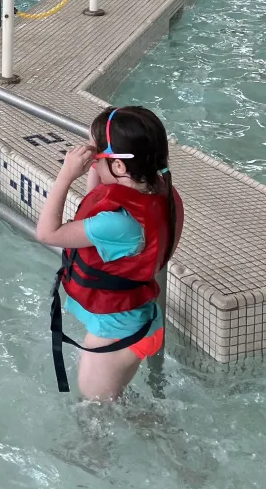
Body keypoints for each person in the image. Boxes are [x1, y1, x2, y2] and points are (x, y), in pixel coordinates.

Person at [35, 106, 184, 400]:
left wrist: (65, 175)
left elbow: (46, 233)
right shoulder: (159, 190)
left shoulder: (117, 224)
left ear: (118, 167)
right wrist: (98, 165)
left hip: (118, 330)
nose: (91, 156)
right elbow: (99, 197)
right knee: (111, 404)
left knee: (96, 412)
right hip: (136, 318)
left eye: (97, 152)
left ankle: (168, 442)